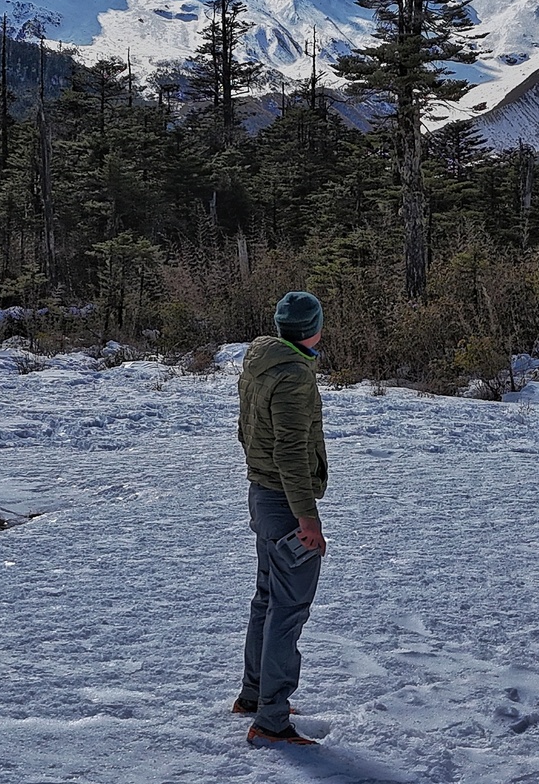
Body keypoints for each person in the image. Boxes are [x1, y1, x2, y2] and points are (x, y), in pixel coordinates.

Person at [234, 289, 329, 747]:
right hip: (285, 502)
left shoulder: (259, 362)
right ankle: (271, 720)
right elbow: (291, 451)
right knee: (287, 611)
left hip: (262, 494)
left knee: (267, 600)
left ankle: (254, 696)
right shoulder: (293, 375)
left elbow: (245, 431)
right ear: (314, 328)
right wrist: (307, 518)